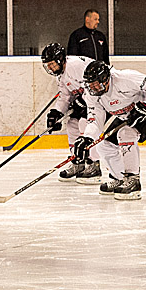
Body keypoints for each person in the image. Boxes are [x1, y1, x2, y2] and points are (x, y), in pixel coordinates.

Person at [75, 60, 146, 200]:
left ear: (106, 79)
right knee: (104, 144)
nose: (93, 88)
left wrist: (145, 105)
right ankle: (119, 177)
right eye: (90, 84)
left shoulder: (125, 78)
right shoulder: (91, 94)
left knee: (126, 134)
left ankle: (133, 181)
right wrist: (87, 137)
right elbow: (95, 119)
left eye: (96, 84)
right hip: (128, 116)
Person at [40, 43, 102, 184]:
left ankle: (94, 165)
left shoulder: (75, 66)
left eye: (52, 64)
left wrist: (83, 100)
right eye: (48, 65)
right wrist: (56, 113)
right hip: (88, 100)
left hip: (99, 99)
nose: (50, 68)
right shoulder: (61, 75)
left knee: (84, 124)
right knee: (72, 124)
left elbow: (93, 84)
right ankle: (78, 161)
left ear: (61, 59)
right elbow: (65, 97)